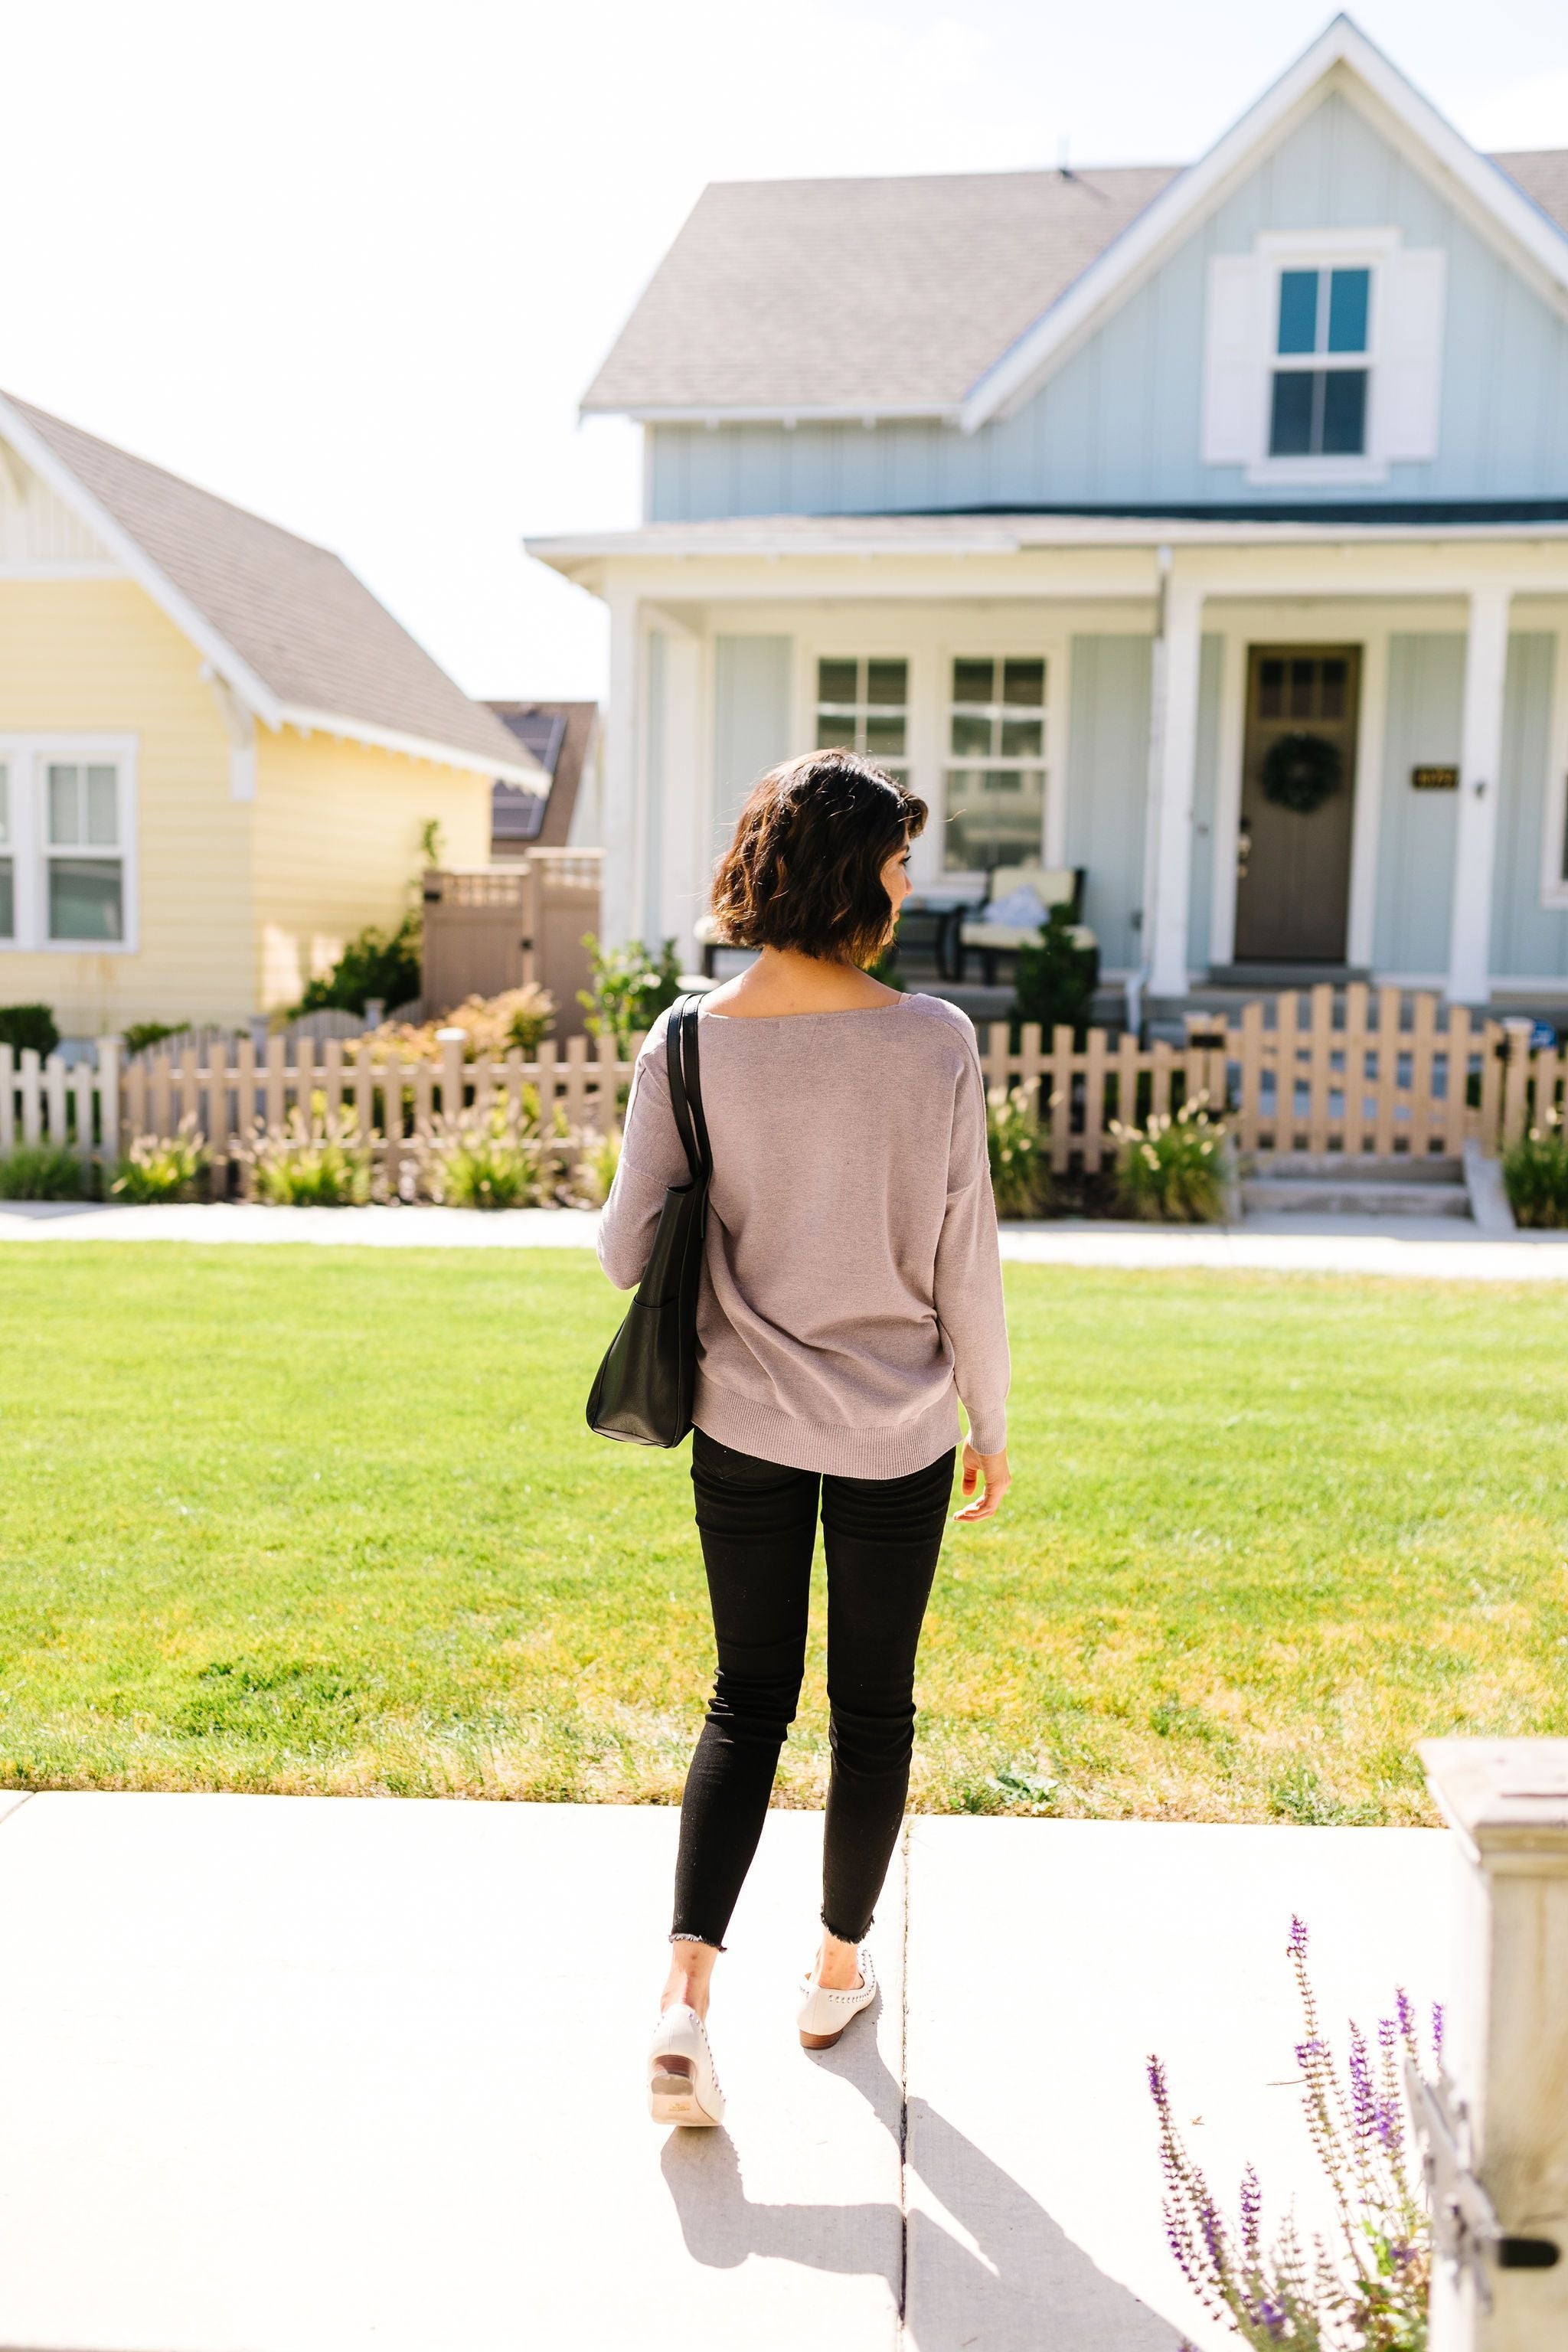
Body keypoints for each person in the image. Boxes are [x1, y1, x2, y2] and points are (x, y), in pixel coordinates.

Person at [595, 749, 1011, 2129]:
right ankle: (834, 1974)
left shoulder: (687, 1039)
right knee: (871, 1705)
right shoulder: (935, 1040)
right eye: (898, 862)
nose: (908, 887)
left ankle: (681, 2002)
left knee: (746, 1697)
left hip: (743, 1421)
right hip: (897, 1427)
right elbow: (968, 1264)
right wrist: (990, 1421)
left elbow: (620, 1255)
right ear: (853, 872)